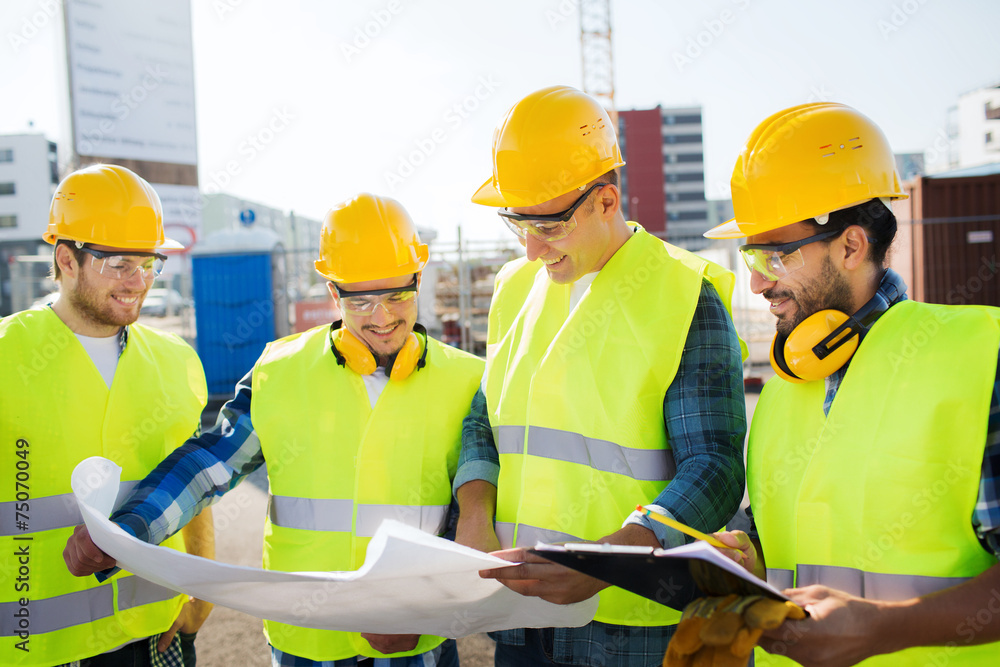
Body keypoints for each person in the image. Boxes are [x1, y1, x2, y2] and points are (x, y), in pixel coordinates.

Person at [64, 193, 485, 667]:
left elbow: (476, 517)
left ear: (418, 279)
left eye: (396, 296)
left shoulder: (468, 381)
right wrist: (126, 532)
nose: (382, 317)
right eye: (361, 300)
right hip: (305, 642)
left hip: (417, 643)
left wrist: (428, 605)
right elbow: (208, 466)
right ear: (332, 293)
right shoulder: (279, 371)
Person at [453, 85, 748, 666]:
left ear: (606, 200)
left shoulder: (686, 295)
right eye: (519, 224)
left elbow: (714, 467)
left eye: (551, 226)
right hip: (519, 616)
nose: (534, 249)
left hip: (629, 623)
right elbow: (485, 421)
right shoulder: (514, 287)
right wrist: (474, 518)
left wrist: (610, 559)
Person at [705, 102, 1000, 665]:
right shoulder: (785, 386)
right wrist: (749, 561)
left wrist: (888, 629)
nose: (756, 280)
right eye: (751, 254)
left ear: (850, 246)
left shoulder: (980, 357)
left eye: (773, 254)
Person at [0, 164, 214, 666]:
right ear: (65, 260)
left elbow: (198, 487)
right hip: (36, 646)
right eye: (118, 264)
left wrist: (201, 590)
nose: (137, 282)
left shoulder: (176, 359)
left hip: (155, 633)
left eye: (148, 264)